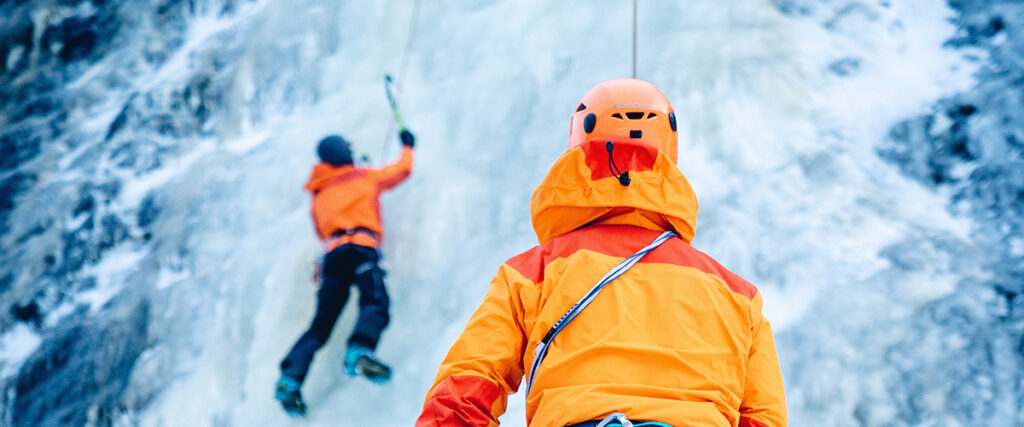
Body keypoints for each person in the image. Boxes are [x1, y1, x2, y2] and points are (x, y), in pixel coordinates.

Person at [415, 80, 786, 427]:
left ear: (579, 142)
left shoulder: (531, 272)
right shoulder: (739, 295)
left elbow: (468, 383)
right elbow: (764, 417)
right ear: (670, 153)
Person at [275, 129, 415, 416]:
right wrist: (408, 146)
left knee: (321, 326)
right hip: (361, 248)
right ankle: (359, 351)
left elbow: (321, 231)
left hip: (332, 257)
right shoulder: (363, 176)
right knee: (375, 302)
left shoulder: (318, 194)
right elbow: (402, 170)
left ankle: (290, 378)